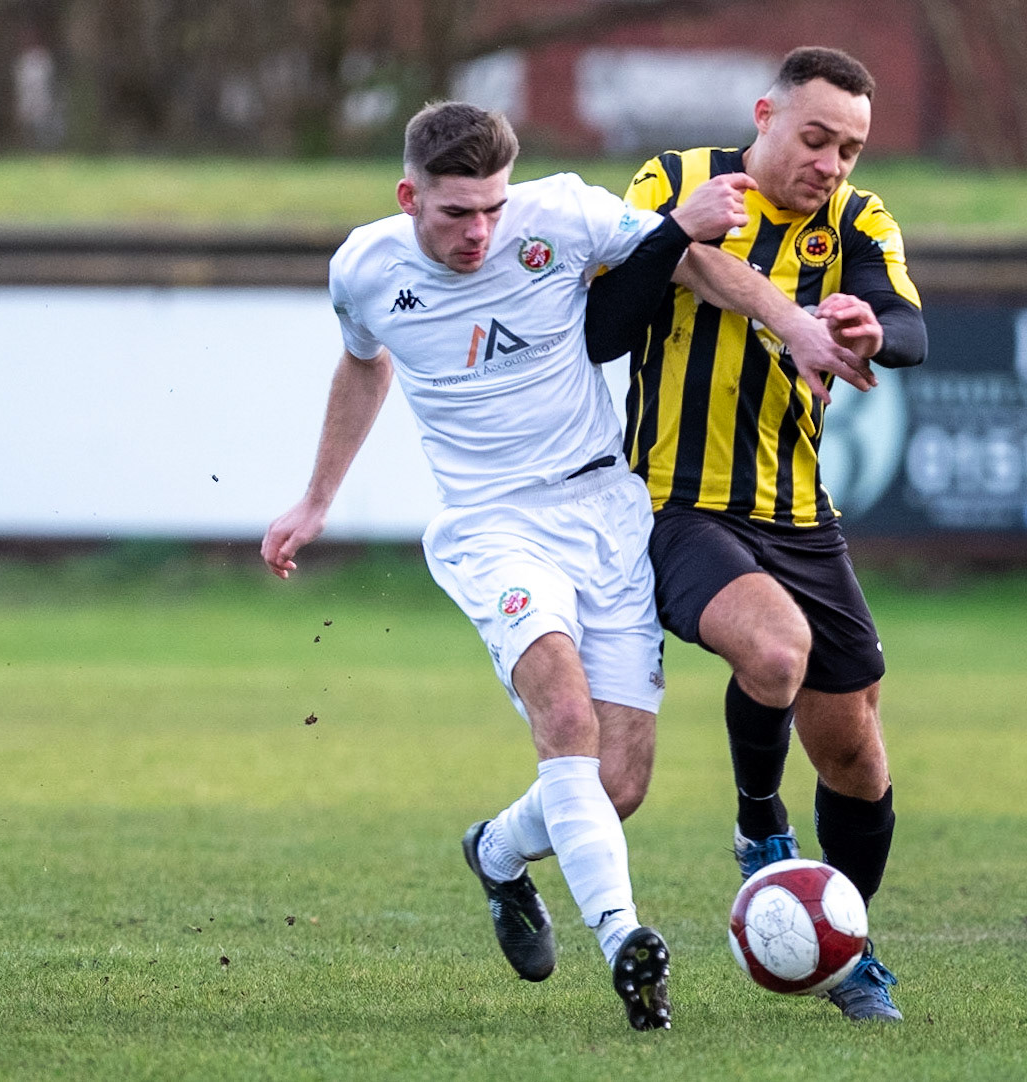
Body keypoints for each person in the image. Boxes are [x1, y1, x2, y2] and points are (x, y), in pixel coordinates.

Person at [261, 101, 752, 1032]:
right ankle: (626, 943)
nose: (479, 232)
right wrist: (316, 499)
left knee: (617, 784)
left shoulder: (562, 212)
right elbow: (364, 365)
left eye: (492, 208)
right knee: (563, 715)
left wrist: (793, 324)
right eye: (456, 213)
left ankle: (495, 850)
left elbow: (683, 257)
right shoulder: (364, 269)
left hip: (604, 512)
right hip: (491, 527)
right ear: (409, 197)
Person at [590, 46, 927, 1022]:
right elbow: (626, 300)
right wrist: (777, 310)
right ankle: (759, 829)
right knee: (775, 651)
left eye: (849, 149)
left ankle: (845, 947)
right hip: (675, 503)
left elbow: (908, 329)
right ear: (765, 116)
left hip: (800, 516)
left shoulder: (856, 220)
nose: (831, 163)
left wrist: (867, 330)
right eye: (816, 138)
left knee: (856, 754)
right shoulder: (678, 180)